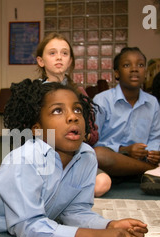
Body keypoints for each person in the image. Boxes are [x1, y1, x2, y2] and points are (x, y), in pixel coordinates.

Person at [0, 79, 148, 237]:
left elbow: (75, 211)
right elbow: (29, 226)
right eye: (57, 110)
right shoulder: (24, 160)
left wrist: (109, 225)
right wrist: (93, 236)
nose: (73, 117)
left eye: (77, 109)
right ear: (37, 129)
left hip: (27, 199)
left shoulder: (87, 156)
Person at [93, 47, 160, 198]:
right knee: (98, 155)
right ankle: (155, 172)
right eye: (127, 65)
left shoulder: (152, 102)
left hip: (144, 159)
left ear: (145, 72)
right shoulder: (101, 100)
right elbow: (93, 140)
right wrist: (125, 149)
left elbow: (156, 137)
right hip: (116, 159)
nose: (135, 69)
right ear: (116, 73)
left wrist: (153, 152)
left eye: (140, 65)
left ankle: (156, 171)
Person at [35, 32, 111, 197]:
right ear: (41, 61)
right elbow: (26, 133)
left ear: (70, 61)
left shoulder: (79, 92)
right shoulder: (33, 93)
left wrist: (85, 134)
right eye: (52, 53)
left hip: (75, 156)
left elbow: (92, 132)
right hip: (43, 157)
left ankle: (62, 193)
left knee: (103, 183)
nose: (59, 58)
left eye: (64, 53)